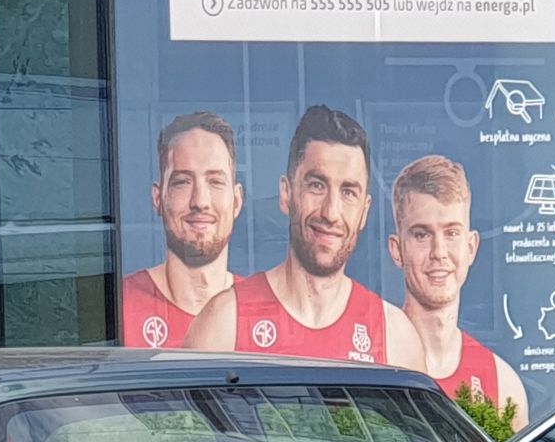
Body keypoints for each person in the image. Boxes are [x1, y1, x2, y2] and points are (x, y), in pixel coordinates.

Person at [185, 104, 422, 368]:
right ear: (286, 194)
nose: (331, 212)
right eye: (317, 185)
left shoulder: (395, 338)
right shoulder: (224, 323)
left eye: (348, 192)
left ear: (364, 211)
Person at [388, 154, 529, 424]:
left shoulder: (502, 387)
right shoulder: (370, 366)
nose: (438, 252)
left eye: (451, 233)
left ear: (471, 247)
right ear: (397, 249)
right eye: (421, 234)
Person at [122, 111, 242, 349]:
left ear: (237, 201)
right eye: (182, 182)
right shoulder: (118, 306)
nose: (200, 201)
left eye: (215, 182)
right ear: (158, 198)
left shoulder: (264, 308)